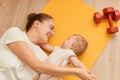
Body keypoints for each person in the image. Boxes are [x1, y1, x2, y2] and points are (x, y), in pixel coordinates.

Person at [0, 13, 96, 80]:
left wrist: (60, 73)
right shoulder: (15, 33)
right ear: (37, 24)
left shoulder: (44, 58)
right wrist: (76, 72)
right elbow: (36, 66)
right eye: (51, 28)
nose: (53, 33)